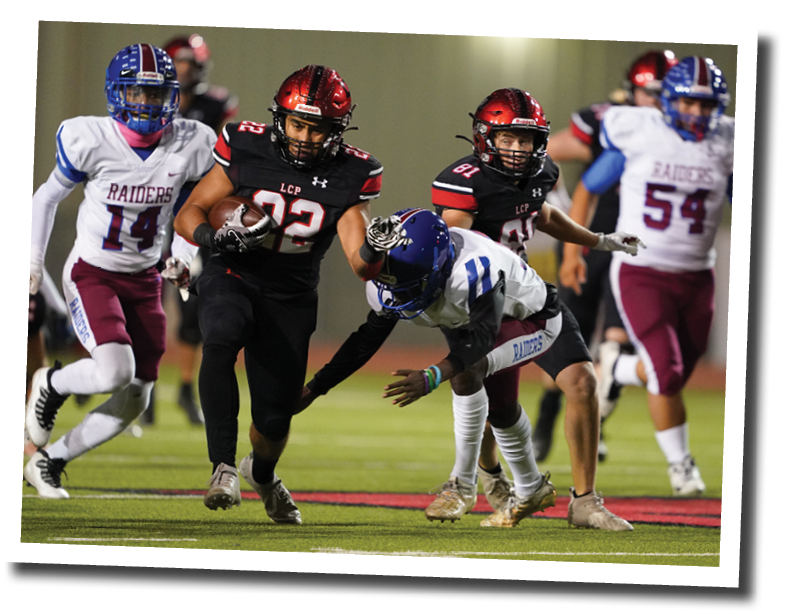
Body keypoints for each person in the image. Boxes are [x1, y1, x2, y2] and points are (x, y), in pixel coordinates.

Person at [300, 208, 639, 530]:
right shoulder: (392, 275)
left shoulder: (473, 270)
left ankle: (462, 483)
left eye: (410, 281)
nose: (398, 288)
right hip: (481, 321)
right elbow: (365, 340)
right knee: (502, 412)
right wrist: (315, 388)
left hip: (533, 319)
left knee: (466, 369)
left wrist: (433, 375)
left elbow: (480, 339)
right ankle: (531, 486)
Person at [173, 64, 400, 524]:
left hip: (291, 295)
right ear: (280, 119)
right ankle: (221, 467)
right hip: (233, 271)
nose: (305, 137)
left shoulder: (352, 173)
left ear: (336, 131)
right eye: (298, 124)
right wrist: (212, 239)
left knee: (275, 420)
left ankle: (262, 473)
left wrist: (376, 248)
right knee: (218, 337)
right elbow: (190, 211)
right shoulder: (244, 143)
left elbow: (360, 264)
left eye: (317, 130)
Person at [430, 88, 643, 520]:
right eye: (508, 138)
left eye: (526, 140)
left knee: (582, 382)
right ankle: (477, 478)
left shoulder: (541, 171)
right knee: (497, 407)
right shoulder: (463, 180)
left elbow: (540, 215)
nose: (518, 149)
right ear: (485, 137)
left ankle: (584, 500)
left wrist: (597, 240)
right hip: (482, 302)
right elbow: (457, 251)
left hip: (527, 293)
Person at [24, 43, 217, 499]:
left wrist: (185, 253)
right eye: (137, 92)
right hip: (94, 271)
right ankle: (50, 382)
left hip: (146, 278)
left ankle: (51, 461)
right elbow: (46, 197)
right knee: (114, 370)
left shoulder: (192, 142)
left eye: (156, 94)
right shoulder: (90, 138)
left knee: (138, 395)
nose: (147, 103)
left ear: (172, 95)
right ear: (116, 92)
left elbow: (200, 206)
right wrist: (31, 261)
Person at [565, 56, 734, 496]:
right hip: (641, 271)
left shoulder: (728, 143)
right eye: (689, 103)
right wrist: (574, 249)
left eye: (706, 104)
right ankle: (682, 467)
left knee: (678, 372)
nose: (697, 113)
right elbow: (588, 187)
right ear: (668, 101)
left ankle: (616, 368)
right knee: (666, 370)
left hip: (698, 276)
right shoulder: (640, 133)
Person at [532, 50, 680, 463]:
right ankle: (546, 416)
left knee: (616, 344)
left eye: (667, 93)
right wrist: (558, 210)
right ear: (633, 89)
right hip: (589, 239)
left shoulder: (684, 130)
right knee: (567, 336)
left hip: (636, 248)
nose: (660, 101)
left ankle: (593, 427)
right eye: (652, 92)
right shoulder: (608, 121)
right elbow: (546, 153)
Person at [139, 34, 240, 427]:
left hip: (196, 215)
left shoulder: (215, 105)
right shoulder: (147, 100)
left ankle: (183, 387)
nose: (186, 70)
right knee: (142, 301)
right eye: (179, 63)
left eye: (191, 63)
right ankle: (140, 385)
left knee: (192, 305)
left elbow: (228, 157)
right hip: (151, 211)